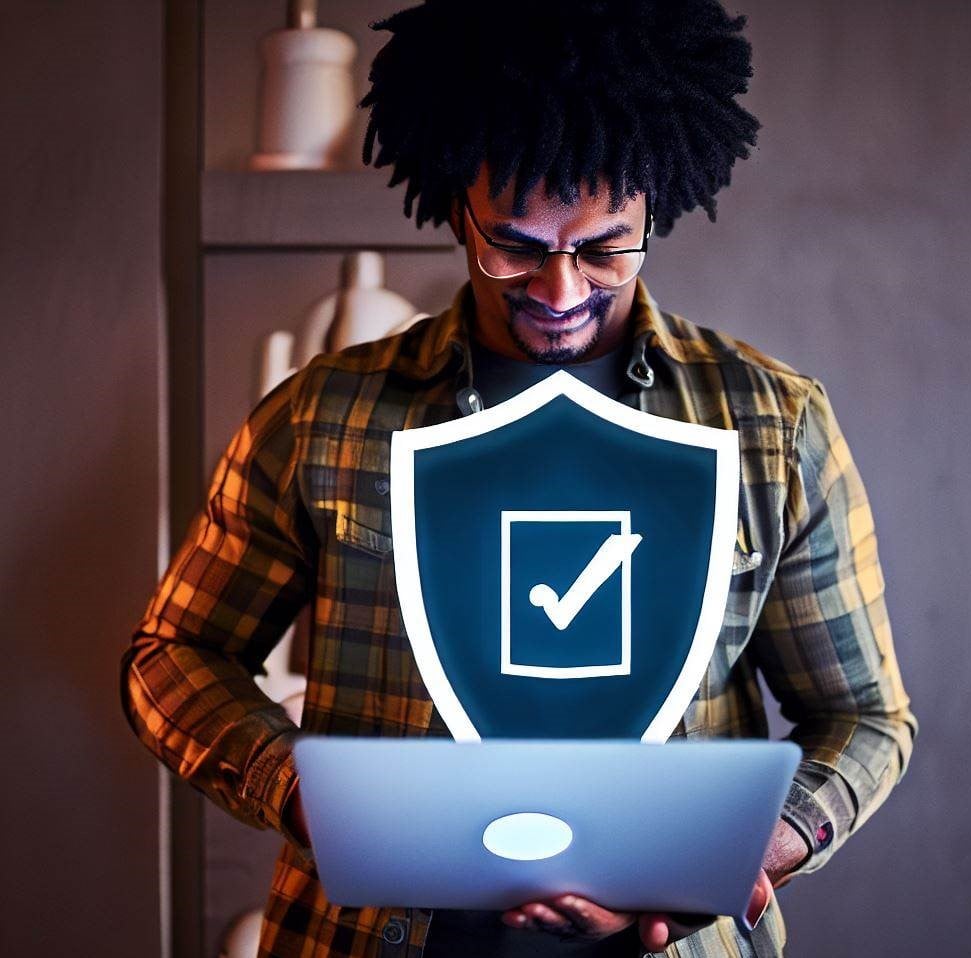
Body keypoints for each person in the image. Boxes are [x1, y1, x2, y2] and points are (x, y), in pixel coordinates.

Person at [121, 2, 916, 956]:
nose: (560, 291)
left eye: (605, 245)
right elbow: (171, 655)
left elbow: (864, 717)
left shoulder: (772, 426)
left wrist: (761, 846)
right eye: (516, 245)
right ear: (455, 203)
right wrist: (296, 790)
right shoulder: (321, 416)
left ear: (656, 208)